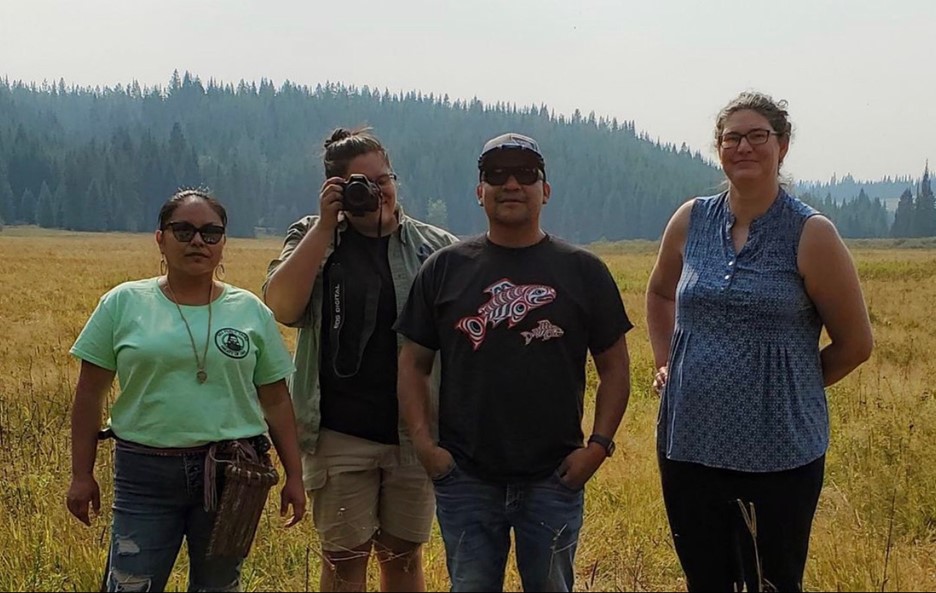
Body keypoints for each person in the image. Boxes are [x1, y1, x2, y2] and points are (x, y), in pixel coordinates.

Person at [646, 92, 874, 592]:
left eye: (757, 136)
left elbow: (856, 343)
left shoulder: (811, 233)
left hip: (779, 452)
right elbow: (661, 291)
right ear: (719, 148)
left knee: (772, 582)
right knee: (705, 580)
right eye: (732, 137)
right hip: (688, 442)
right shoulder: (691, 219)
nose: (743, 147)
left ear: (782, 146)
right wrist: (667, 362)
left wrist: (792, 385)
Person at [394, 132, 633, 592]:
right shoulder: (444, 269)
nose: (511, 184)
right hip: (465, 475)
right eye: (496, 174)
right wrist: (427, 448)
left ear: (545, 189)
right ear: (479, 190)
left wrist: (597, 448)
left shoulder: (584, 271)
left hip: (555, 476)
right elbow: (413, 364)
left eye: (526, 174)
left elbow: (615, 369)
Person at [66, 189, 306, 592]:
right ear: (160, 237)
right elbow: (89, 395)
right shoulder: (123, 303)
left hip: (232, 473)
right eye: (184, 230)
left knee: (219, 586)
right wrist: (80, 474)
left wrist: (295, 475)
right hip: (145, 472)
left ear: (223, 242)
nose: (198, 241)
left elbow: (276, 399)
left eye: (212, 233)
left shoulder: (250, 311)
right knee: (130, 583)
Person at [263, 128, 457, 592]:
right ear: (335, 189)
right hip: (337, 432)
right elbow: (283, 307)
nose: (375, 191)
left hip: (414, 431)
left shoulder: (435, 247)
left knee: (405, 556)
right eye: (359, 183)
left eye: (382, 178)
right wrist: (324, 229)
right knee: (343, 559)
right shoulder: (313, 237)